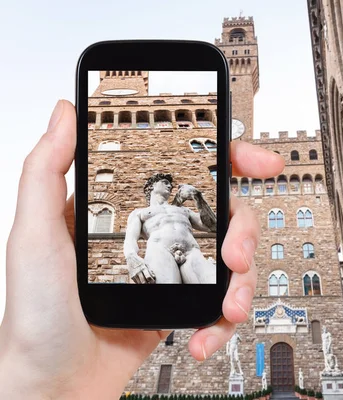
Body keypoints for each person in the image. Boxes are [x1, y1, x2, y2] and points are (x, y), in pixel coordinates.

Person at [0, 100, 285, 398]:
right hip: (159, 252)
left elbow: (213, 227)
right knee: (164, 300)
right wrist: (133, 260)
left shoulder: (184, 211)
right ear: (152, 188)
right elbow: (130, 242)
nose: (169, 185)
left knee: (214, 294)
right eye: (164, 182)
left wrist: (199, 196)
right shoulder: (140, 213)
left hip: (191, 252)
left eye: (169, 182)